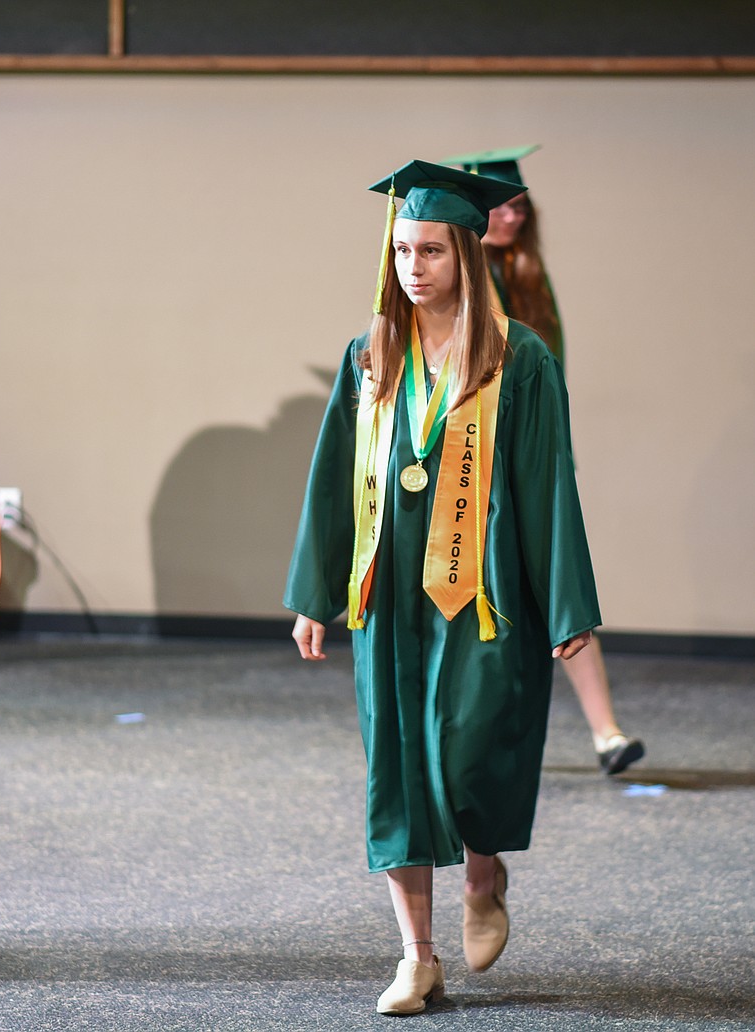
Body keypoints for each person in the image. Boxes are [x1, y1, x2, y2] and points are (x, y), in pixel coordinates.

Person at [284, 160, 600, 1015]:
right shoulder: (372, 353)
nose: (411, 268)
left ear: (466, 254)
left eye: (428, 251)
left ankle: (485, 868)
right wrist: (317, 591)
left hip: (482, 592)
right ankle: (416, 958)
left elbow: (547, 484)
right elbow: (333, 479)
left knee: (467, 759)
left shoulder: (518, 359)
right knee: (396, 771)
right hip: (391, 599)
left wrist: (566, 605)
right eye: (400, 251)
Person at [444, 146, 644, 776]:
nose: (511, 218)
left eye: (520, 207)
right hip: (473, 465)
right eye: (500, 206)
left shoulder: (528, 274)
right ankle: (457, 734)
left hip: (529, 460)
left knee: (560, 591)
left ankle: (607, 733)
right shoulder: (463, 283)